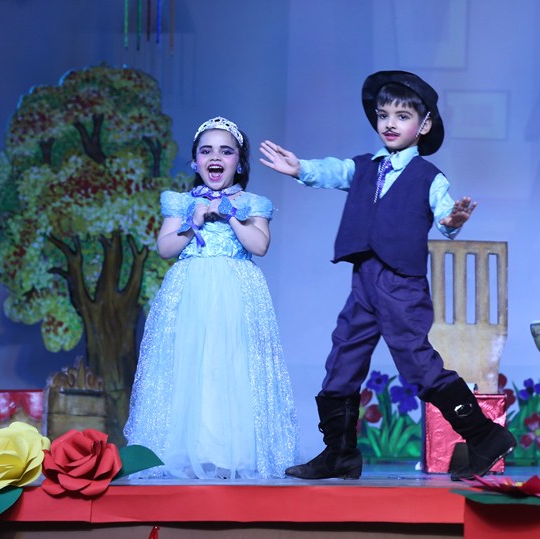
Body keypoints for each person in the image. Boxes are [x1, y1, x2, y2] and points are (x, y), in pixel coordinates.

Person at [259, 70, 515, 481]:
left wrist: (452, 220)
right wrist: (300, 167)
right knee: (343, 358)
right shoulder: (364, 167)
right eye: (383, 115)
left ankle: (485, 436)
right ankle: (339, 452)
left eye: (402, 116)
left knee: (418, 364)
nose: (390, 124)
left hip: (401, 285)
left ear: (424, 125)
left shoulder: (429, 177)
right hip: (364, 280)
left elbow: (445, 214)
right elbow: (332, 171)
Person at [124, 116, 298, 479]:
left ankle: (230, 454)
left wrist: (232, 216)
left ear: (239, 163)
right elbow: (165, 247)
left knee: (230, 365)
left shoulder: (253, 203)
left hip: (236, 293)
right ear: (195, 161)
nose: (215, 157)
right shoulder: (181, 202)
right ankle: (187, 452)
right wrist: (194, 222)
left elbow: (259, 245)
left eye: (225, 151)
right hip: (191, 292)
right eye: (206, 151)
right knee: (191, 365)